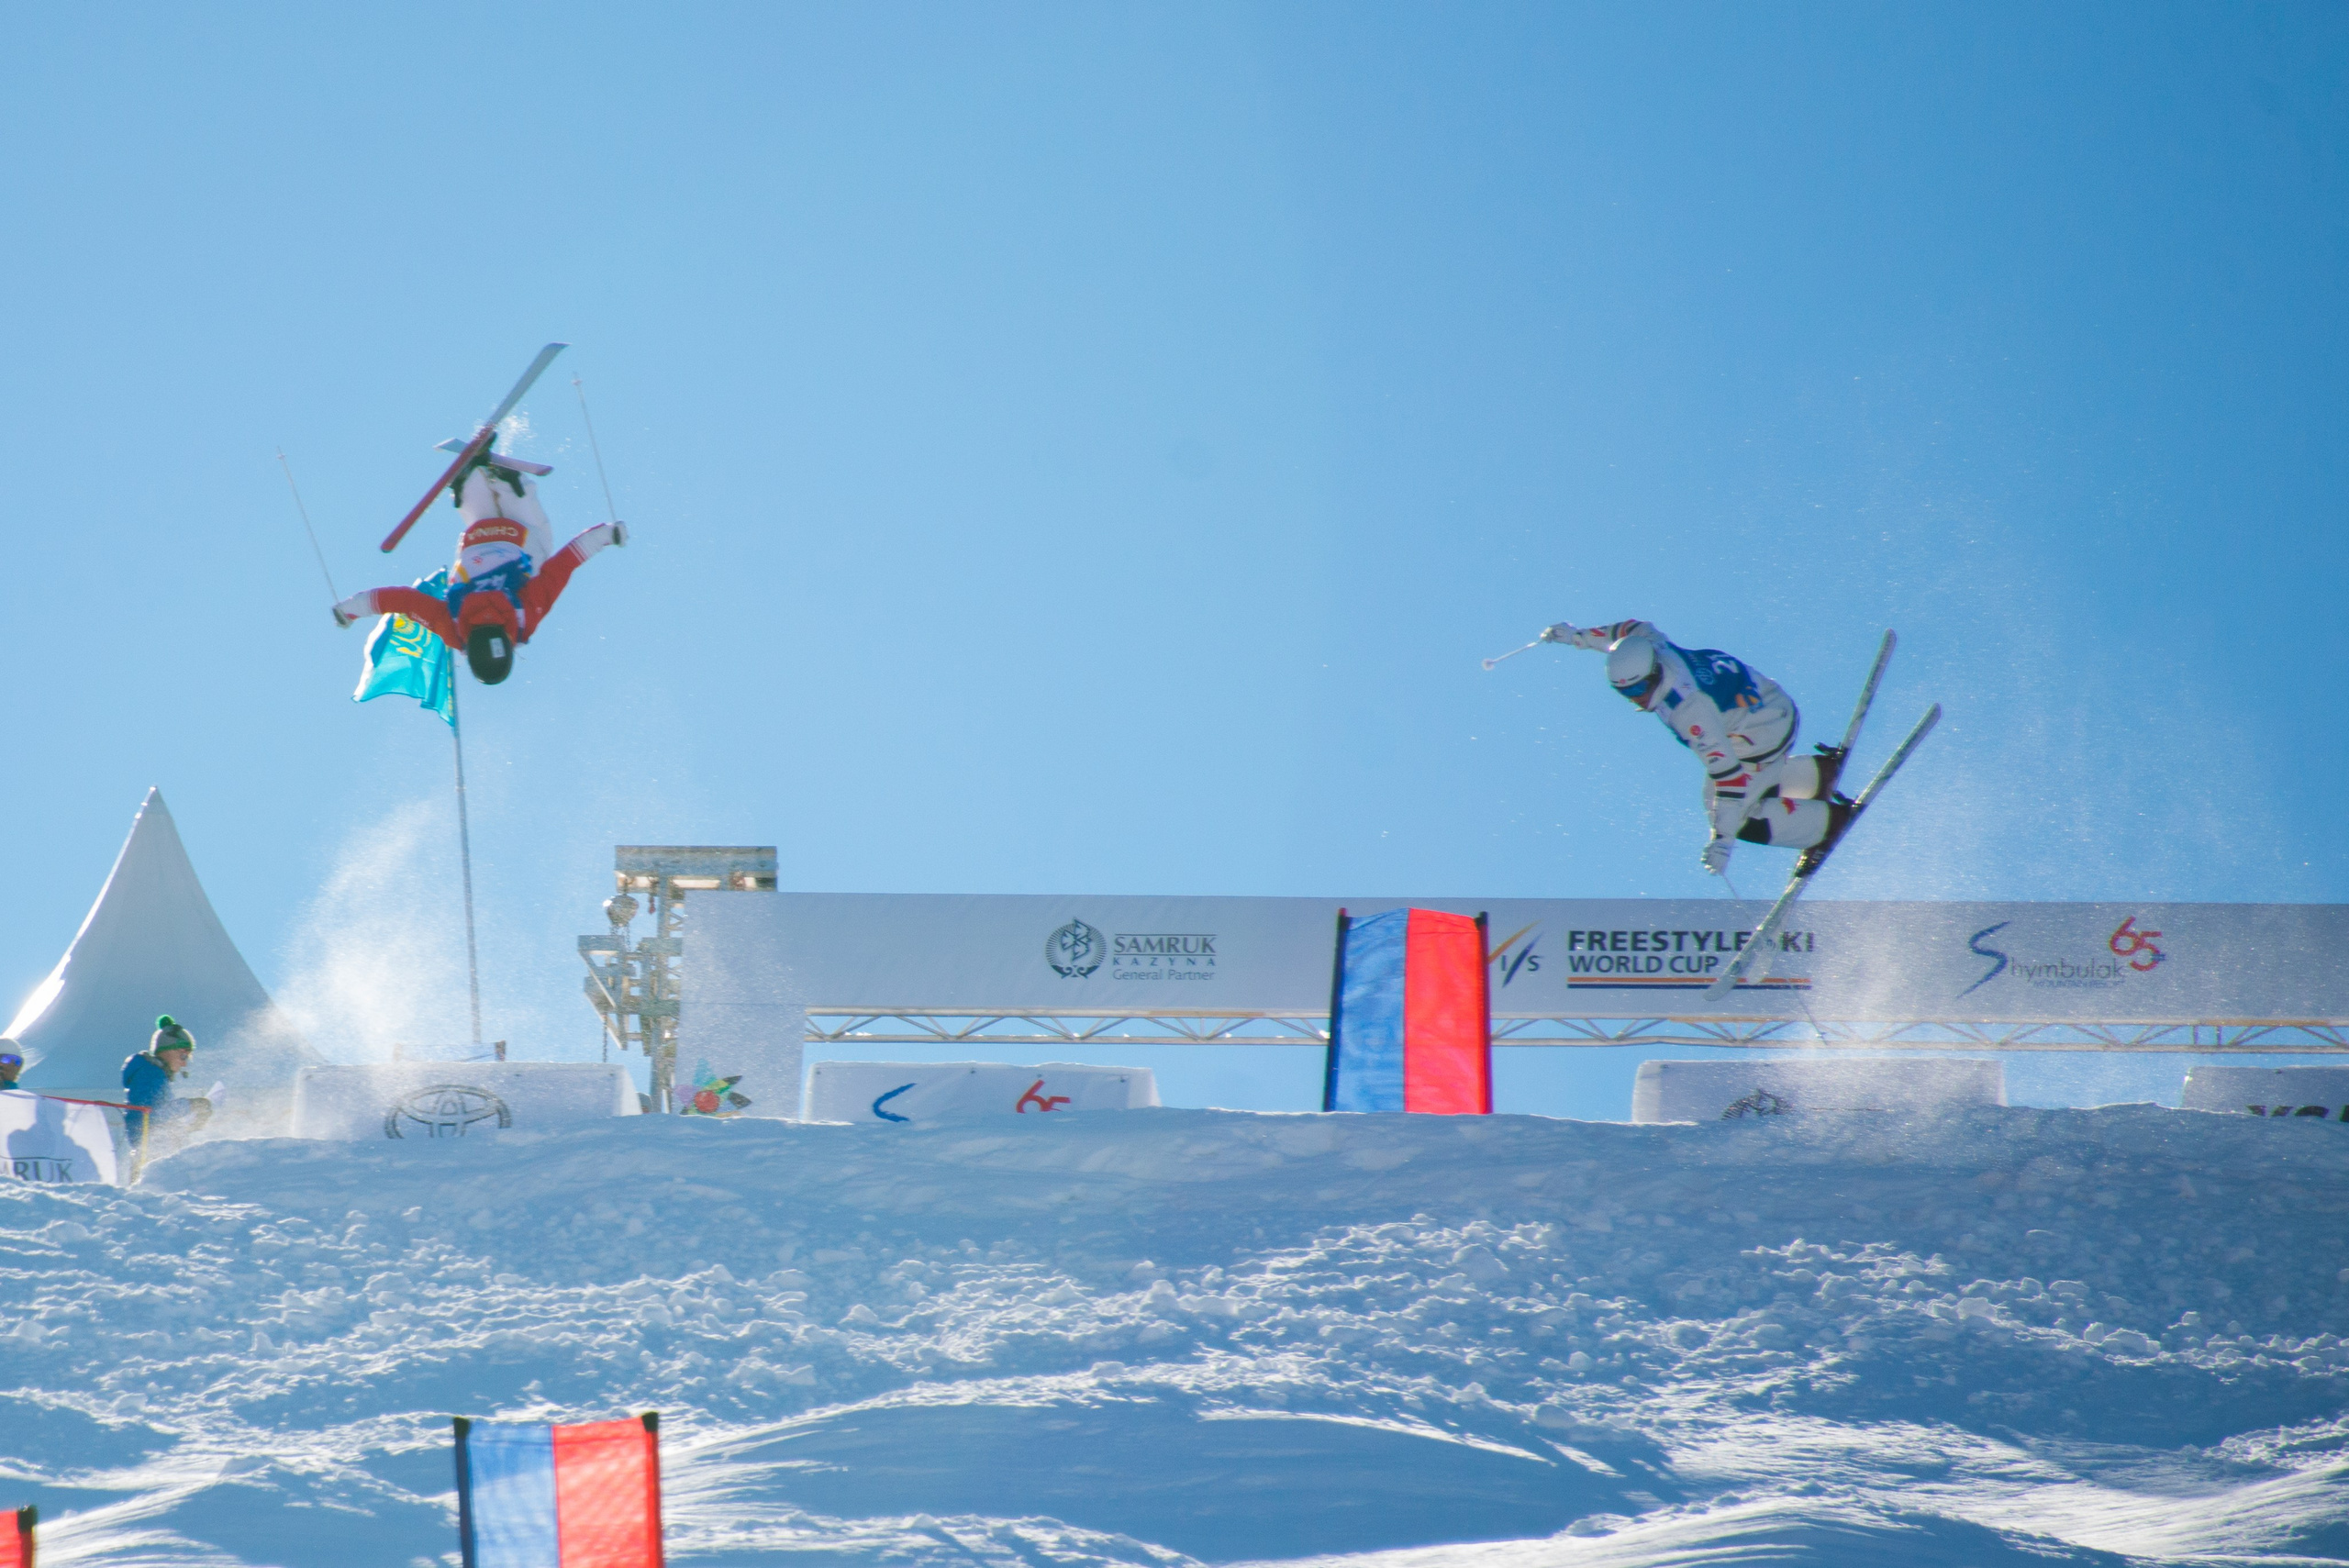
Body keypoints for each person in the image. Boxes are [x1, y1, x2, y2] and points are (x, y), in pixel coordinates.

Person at [1542, 618, 1854, 877]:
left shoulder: (1690, 711)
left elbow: (1729, 778)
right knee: (1725, 795)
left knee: (1738, 817)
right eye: (1625, 692)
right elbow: (1627, 631)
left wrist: (1723, 841)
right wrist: (1576, 637)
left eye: (1638, 688)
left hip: (1763, 734)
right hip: (1768, 704)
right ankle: (1816, 774)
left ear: (1653, 674)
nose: (1635, 698)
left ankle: (1827, 824)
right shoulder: (1653, 645)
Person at [332, 451, 626, 685]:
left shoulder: (524, 615)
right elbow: (404, 601)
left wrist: (605, 535)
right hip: (477, 538)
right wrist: (351, 609)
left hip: (521, 537)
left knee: (536, 546)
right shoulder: (454, 626)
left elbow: (562, 567)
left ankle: (511, 487)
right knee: (483, 536)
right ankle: (470, 486)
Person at [121, 1015, 211, 1161]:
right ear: (167, 1051)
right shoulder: (150, 1074)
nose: (184, 1064)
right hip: (150, 1158)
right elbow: (153, 1115)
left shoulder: (153, 1074)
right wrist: (193, 1105)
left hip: (151, 1155)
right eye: (183, 1056)